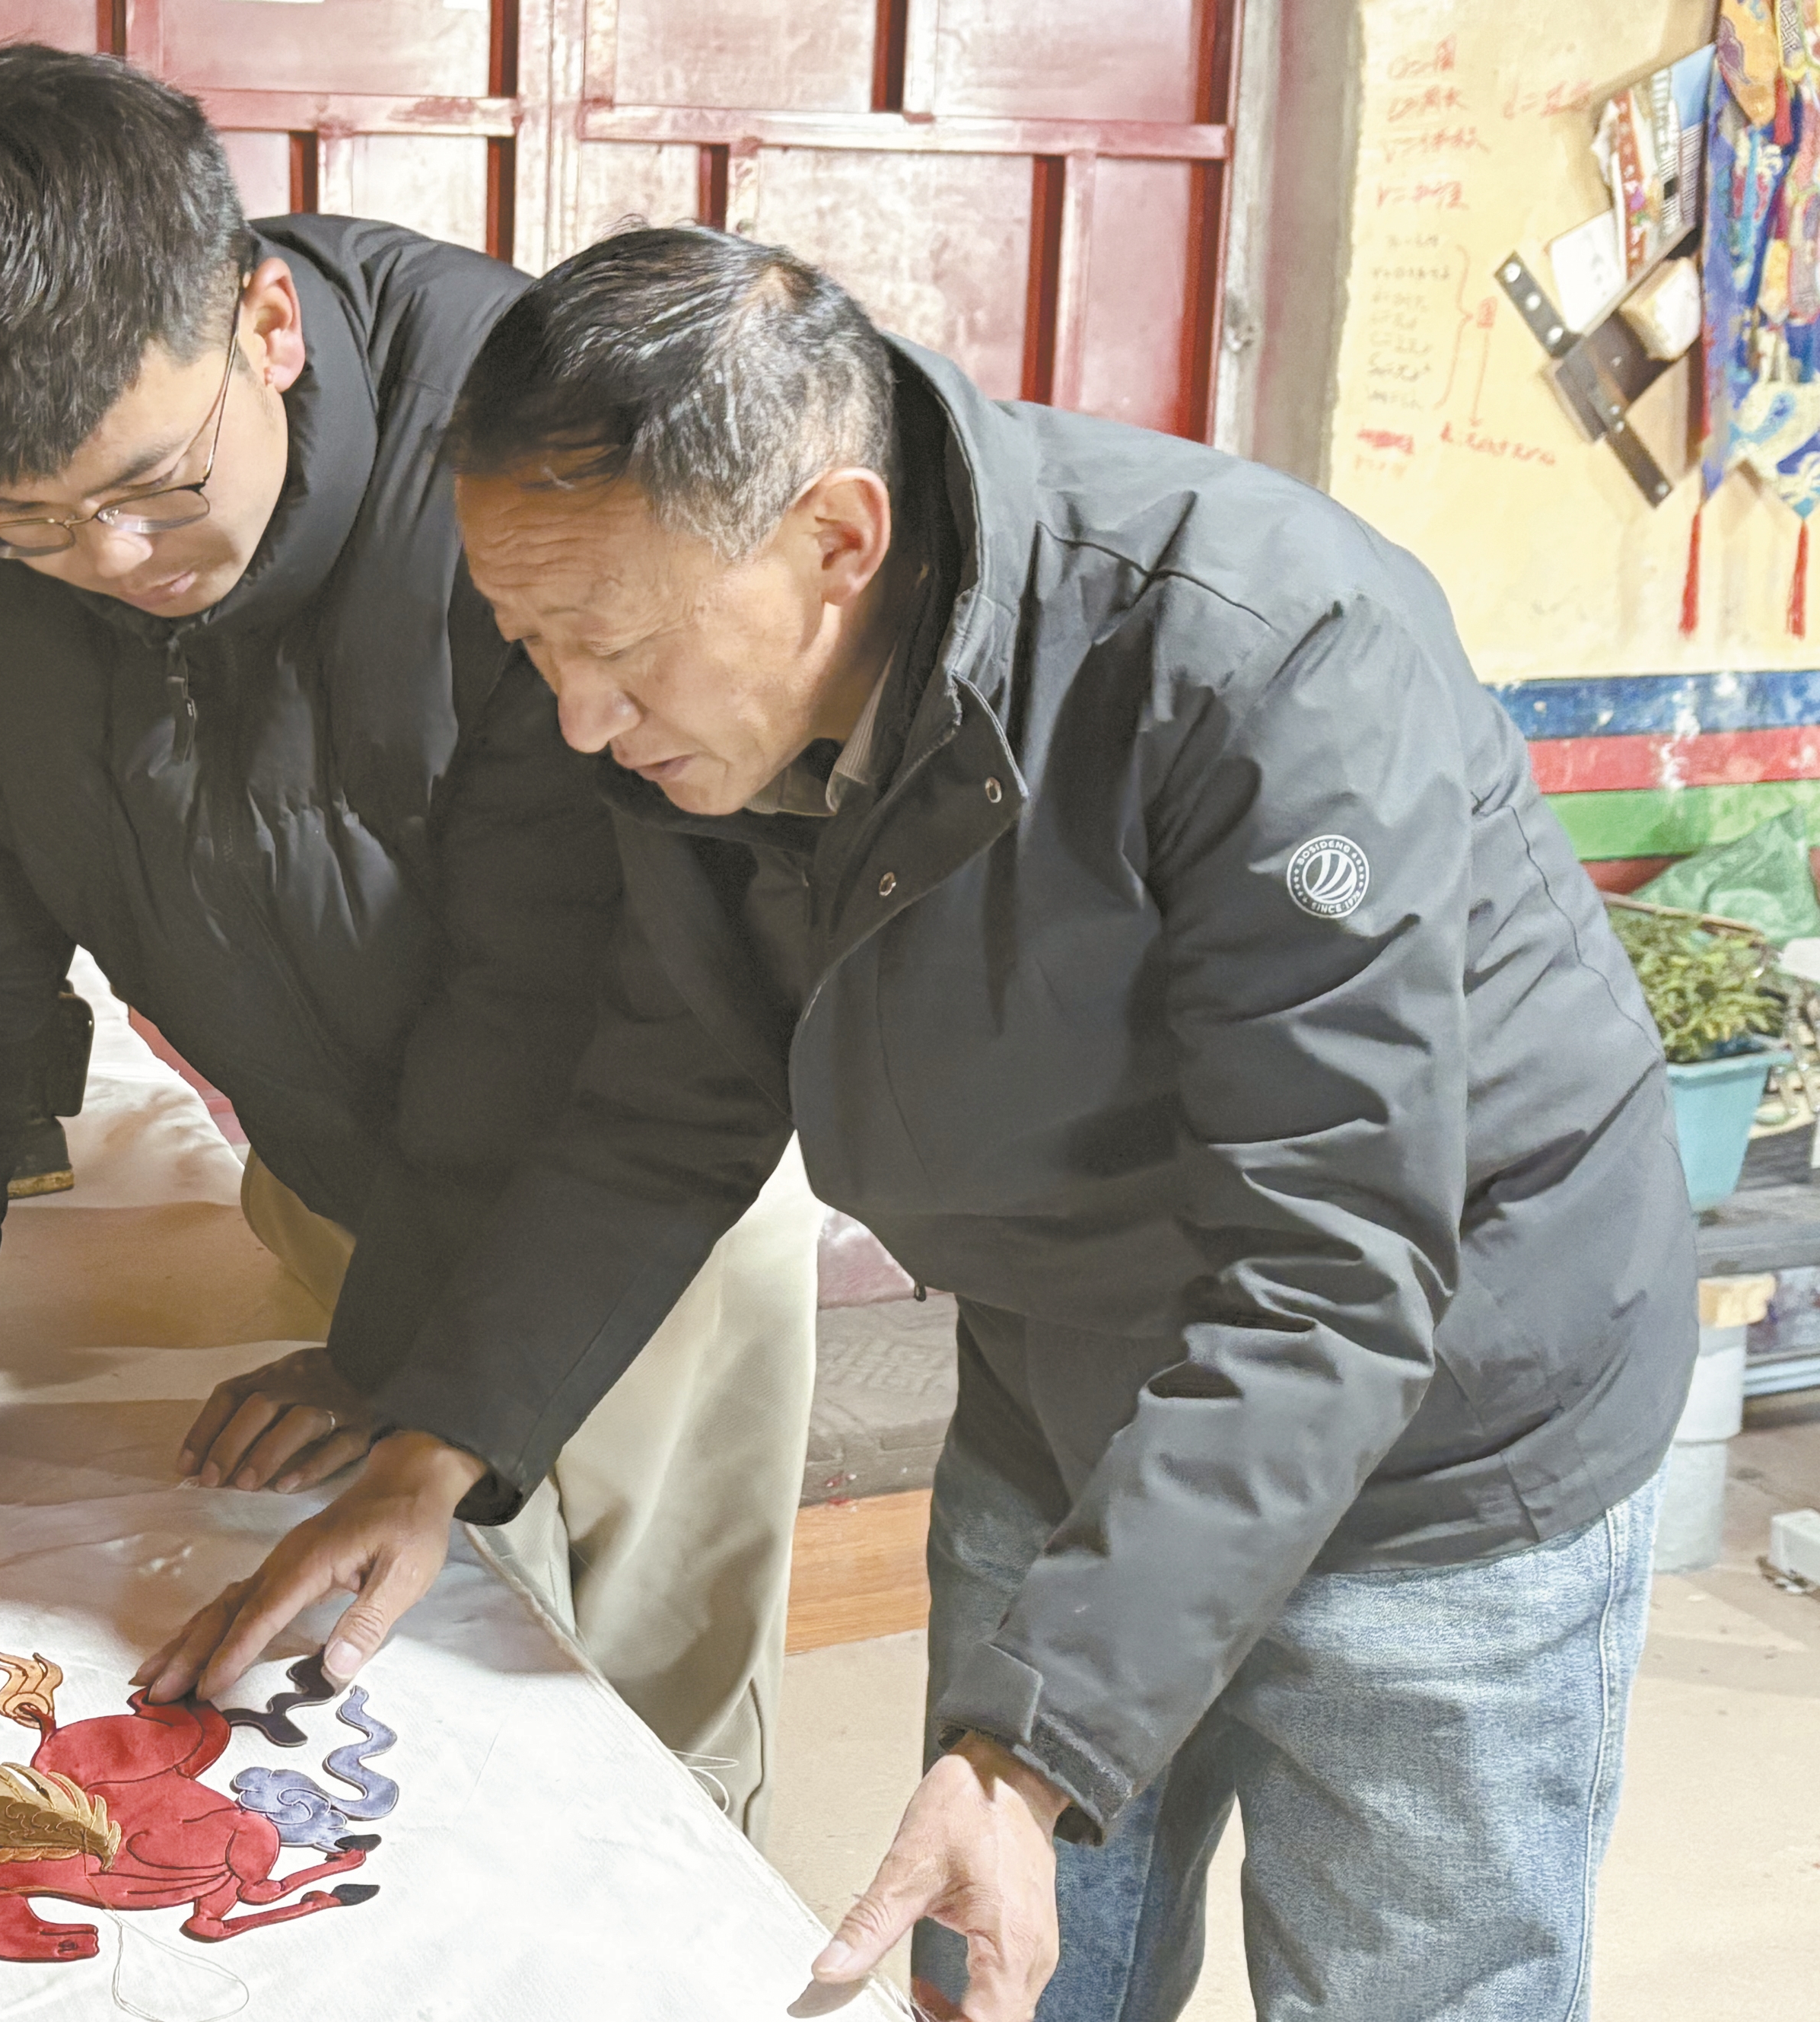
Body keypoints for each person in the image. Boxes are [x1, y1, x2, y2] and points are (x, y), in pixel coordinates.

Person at [181, 225, 1694, 2022]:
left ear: (837, 539)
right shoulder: (703, 719)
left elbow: (1329, 1277)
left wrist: (1028, 1745)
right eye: (530, 648)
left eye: (611, 647)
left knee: (1401, 1984)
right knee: (999, 1974)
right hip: (1068, 1375)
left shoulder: (1260, 656)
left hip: (1440, 1431)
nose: (578, 718)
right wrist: (435, 1450)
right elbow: (668, 1095)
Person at [0, 50, 822, 1842]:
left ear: (264, 321)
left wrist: (399, 1360)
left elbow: (573, 988)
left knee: (621, 1735)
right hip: (339, 1174)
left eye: (157, 485)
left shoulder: (524, 465)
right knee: (380, 1696)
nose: (112, 558)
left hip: (634, 1188)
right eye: (26, 519)